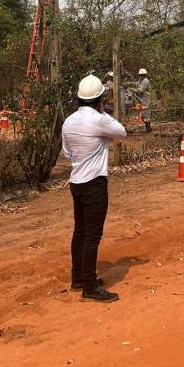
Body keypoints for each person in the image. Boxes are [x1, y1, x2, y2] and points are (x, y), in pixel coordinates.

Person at [61, 74, 126, 303]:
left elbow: (67, 153)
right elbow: (122, 132)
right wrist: (103, 112)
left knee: (80, 231)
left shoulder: (68, 122)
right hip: (95, 183)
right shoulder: (100, 120)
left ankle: (78, 278)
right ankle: (89, 287)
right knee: (93, 235)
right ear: (101, 99)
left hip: (76, 182)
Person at [136, 67, 152, 133]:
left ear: (144, 75)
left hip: (146, 100)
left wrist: (133, 90)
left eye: (142, 75)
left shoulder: (145, 81)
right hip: (142, 100)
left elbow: (140, 90)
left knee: (146, 115)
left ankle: (148, 129)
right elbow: (136, 84)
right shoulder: (141, 80)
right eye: (140, 75)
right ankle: (148, 128)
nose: (141, 76)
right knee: (143, 115)